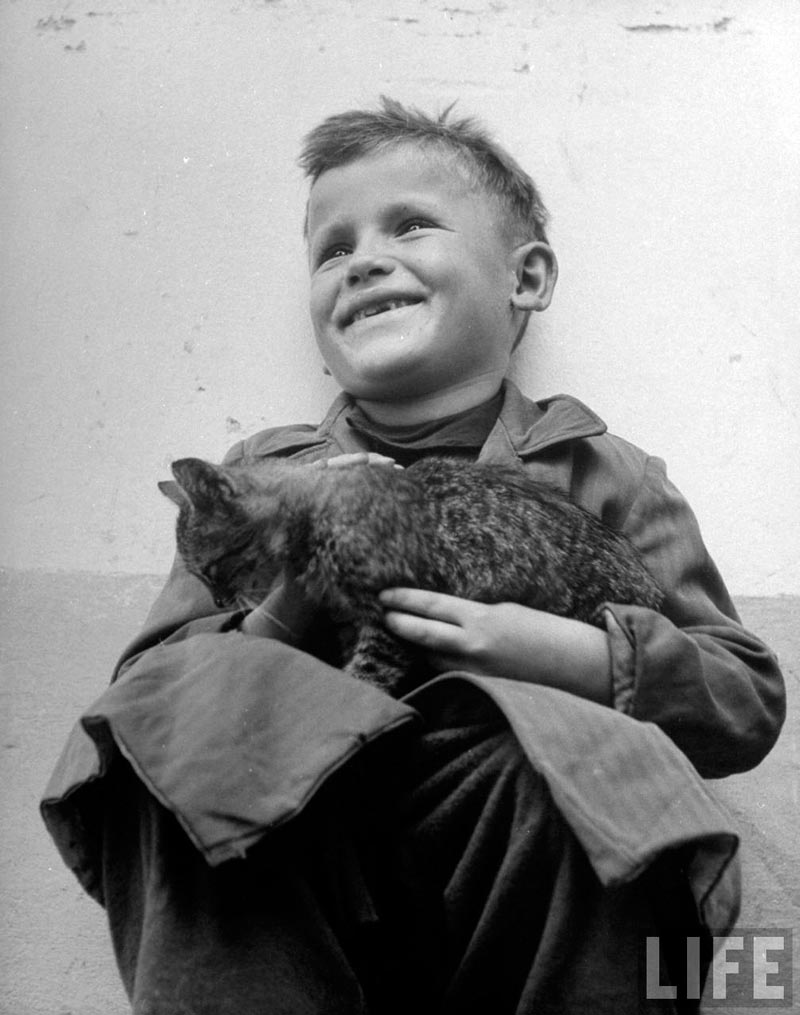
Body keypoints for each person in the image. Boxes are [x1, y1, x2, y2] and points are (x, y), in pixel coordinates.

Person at [41, 98, 785, 1014]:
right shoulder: (255, 479)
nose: (365, 262)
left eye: (411, 224)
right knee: (167, 735)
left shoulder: (602, 470)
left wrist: (565, 654)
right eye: (333, 249)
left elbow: (744, 697)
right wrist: (297, 585)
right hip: (303, 859)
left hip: (520, 868)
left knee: (570, 763)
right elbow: (155, 696)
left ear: (528, 277)